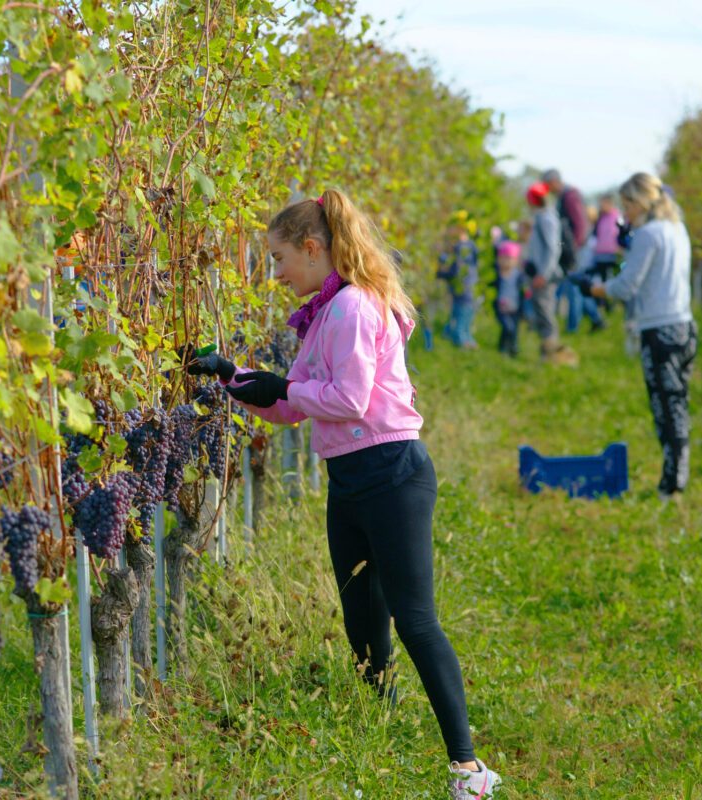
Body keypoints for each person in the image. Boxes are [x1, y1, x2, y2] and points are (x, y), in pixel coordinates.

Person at [186, 189, 501, 798]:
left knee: (413, 618)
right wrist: (233, 379)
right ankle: (378, 736)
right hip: (350, 480)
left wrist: (284, 388)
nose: (275, 275)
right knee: (362, 619)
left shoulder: (354, 307)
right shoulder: (325, 313)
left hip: (393, 475)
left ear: (312, 249)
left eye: (279, 259)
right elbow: (292, 406)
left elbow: (349, 400)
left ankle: (467, 768)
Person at [572, 173, 697, 500]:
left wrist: (594, 288)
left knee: (664, 408)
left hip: (658, 329)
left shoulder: (648, 235)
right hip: (684, 325)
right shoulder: (676, 229)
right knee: (677, 403)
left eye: (628, 204)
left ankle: (672, 484)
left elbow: (627, 286)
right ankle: (677, 475)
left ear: (641, 202)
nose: (625, 212)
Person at [524, 182, 578, 365]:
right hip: (542, 273)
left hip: (546, 275)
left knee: (546, 311)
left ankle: (553, 354)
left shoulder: (547, 218)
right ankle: (548, 352)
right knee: (541, 310)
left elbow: (553, 248)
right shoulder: (542, 217)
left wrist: (544, 273)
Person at [542, 168, 589, 334]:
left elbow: (580, 224)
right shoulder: (562, 197)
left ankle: (573, 327)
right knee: (572, 285)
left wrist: (573, 248)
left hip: (574, 250)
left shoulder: (570, 196)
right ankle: (592, 320)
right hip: (568, 249)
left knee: (573, 287)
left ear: (554, 181)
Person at [436, 219, 479, 350]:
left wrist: (440, 273)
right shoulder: (471, 246)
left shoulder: (461, 248)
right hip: (470, 288)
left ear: (460, 229)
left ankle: (461, 343)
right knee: (464, 316)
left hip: (463, 290)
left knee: (460, 317)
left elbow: (455, 271)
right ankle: (462, 338)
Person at [493, 240, 523, 355]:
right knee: (507, 328)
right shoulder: (496, 274)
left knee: (514, 330)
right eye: (503, 258)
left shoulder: (518, 275)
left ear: (515, 261)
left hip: (514, 308)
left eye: (508, 258)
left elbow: (523, 288)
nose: (505, 261)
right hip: (501, 308)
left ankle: (513, 348)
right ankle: (503, 348)